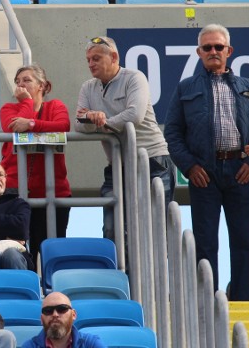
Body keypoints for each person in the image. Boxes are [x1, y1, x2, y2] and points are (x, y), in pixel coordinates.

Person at [164, 24, 249, 301]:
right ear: (199, 52)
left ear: (229, 51)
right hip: (204, 174)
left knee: (243, 241)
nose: (213, 51)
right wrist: (190, 167)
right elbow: (173, 133)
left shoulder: (248, 88)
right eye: (207, 47)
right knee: (206, 243)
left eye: (218, 47)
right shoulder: (186, 87)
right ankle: (207, 301)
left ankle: (245, 300)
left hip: (240, 172)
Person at [75, 35, 176, 240]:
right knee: (113, 229)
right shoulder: (88, 87)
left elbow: (135, 115)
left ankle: (155, 273)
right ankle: (121, 273)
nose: (90, 64)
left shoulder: (134, 77)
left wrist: (102, 123)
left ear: (114, 57)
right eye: (88, 60)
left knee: (154, 230)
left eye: (96, 58)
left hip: (153, 161)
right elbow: (77, 124)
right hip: (118, 166)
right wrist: (90, 118)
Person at [0, 64, 71, 261]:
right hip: (14, 193)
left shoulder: (55, 106)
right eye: (18, 81)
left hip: (53, 193)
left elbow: (62, 125)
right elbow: (12, 128)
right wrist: (27, 103)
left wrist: (31, 124)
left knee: (52, 251)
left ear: (42, 85)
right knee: (18, 253)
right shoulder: (8, 108)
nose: (21, 85)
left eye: (27, 80)